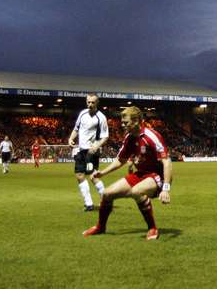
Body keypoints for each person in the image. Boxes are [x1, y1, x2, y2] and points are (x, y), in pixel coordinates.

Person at [82, 106, 172, 240]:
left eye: (126, 123)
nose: (123, 125)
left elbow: (167, 162)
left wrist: (166, 189)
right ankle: (100, 227)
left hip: (157, 175)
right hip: (141, 174)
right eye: (122, 122)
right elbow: (120, 160)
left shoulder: (151, 136)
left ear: (136, 121)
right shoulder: (129, 138)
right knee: (107, 193)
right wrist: (103, 173)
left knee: (136, 191)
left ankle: (152, 228)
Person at [68, 94, 109, 211]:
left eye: (93, 102)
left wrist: (96, 146)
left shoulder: (101, 117)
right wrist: (71, 138)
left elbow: (105, 136)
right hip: (81, 150)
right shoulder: (82, 113)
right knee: (79, 175)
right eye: (88, 102)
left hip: (92, 151)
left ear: (97, 103)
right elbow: (76, 128)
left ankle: (106, 200)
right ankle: (89, 204)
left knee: (93, 176)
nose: (90, 104)